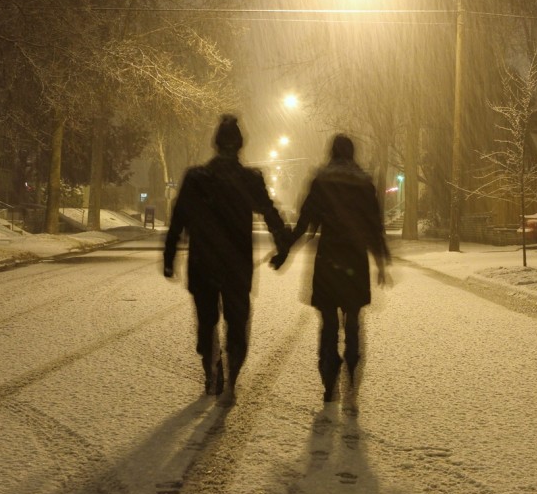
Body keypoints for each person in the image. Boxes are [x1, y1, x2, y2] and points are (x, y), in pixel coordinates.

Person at [163, 114, 290, 402]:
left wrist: (169, 256)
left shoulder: (196, 178)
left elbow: (178, 219)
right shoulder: (249, 179)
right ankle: (232, 373)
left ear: (216, 143)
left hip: (202, 263)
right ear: (240, 145)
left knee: (207, 322)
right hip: (237, 265)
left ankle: (211, 369)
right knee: (237, 322)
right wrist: (282, 245)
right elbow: (270, 214)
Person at [273, 134, 390, 402]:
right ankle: (351, 371)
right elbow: (374, 226)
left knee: (327, 324)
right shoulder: (364, 184)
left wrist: (285, 250)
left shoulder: (321, 181)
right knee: (353, 323)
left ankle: (329, 381)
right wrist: (381, 260)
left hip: (328, 260)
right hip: (354, 261)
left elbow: (304, 224)